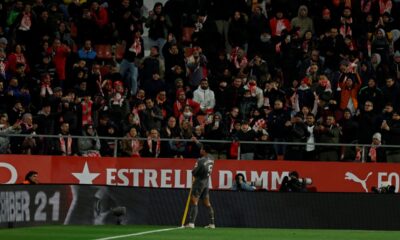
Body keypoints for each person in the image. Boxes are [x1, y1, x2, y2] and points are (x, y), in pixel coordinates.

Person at [185, 144, 215, 229]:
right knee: (207, 203)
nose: (200, 150)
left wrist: (194, 170)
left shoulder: (201, 160)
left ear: (204, 151)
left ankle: (191, 223)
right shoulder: (212, 158)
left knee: (194, 201)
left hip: (199, 182)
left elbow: (194, 172)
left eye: (201, 149)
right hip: (206, 182)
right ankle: (212, 224)